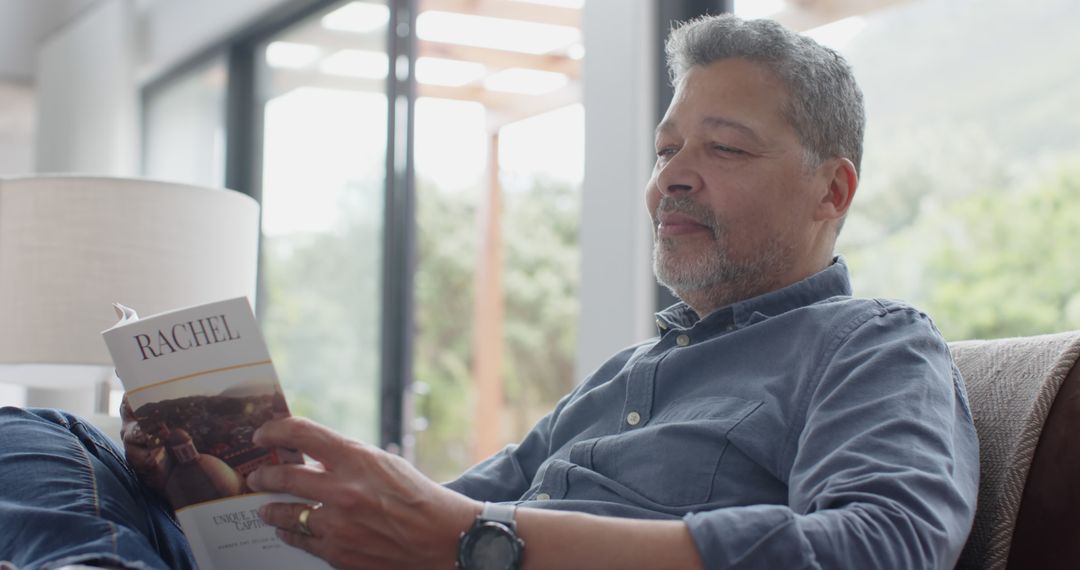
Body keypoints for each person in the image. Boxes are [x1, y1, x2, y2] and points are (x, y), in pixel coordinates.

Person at [0, 13, 978, 570]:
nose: (671, 176)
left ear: (832, 189)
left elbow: (882, 545)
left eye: (722, 149)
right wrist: (239, 480)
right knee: (38, 436)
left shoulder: (873, 346)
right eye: (665, 148)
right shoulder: (624, 377)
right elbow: (434, 513)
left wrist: (483, 540)